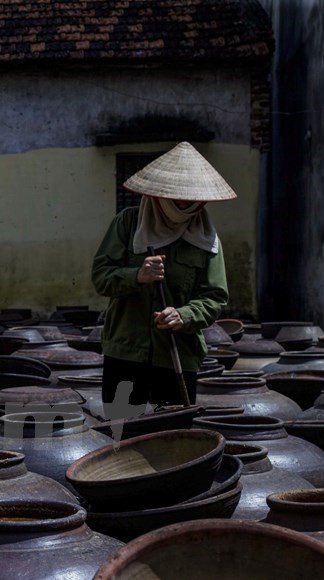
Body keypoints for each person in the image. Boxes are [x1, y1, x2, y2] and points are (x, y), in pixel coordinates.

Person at [91, 142, 234, 409]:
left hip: (177, 354)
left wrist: (184, 315)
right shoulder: (128, 223)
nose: (185, 204)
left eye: (193, 198)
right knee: (122, 436)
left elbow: (214, 297)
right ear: (160, 194)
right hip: (126, 352)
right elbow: (101, 276)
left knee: (172, 441)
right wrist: (137, 275)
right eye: (178, 196)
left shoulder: (206, 238)